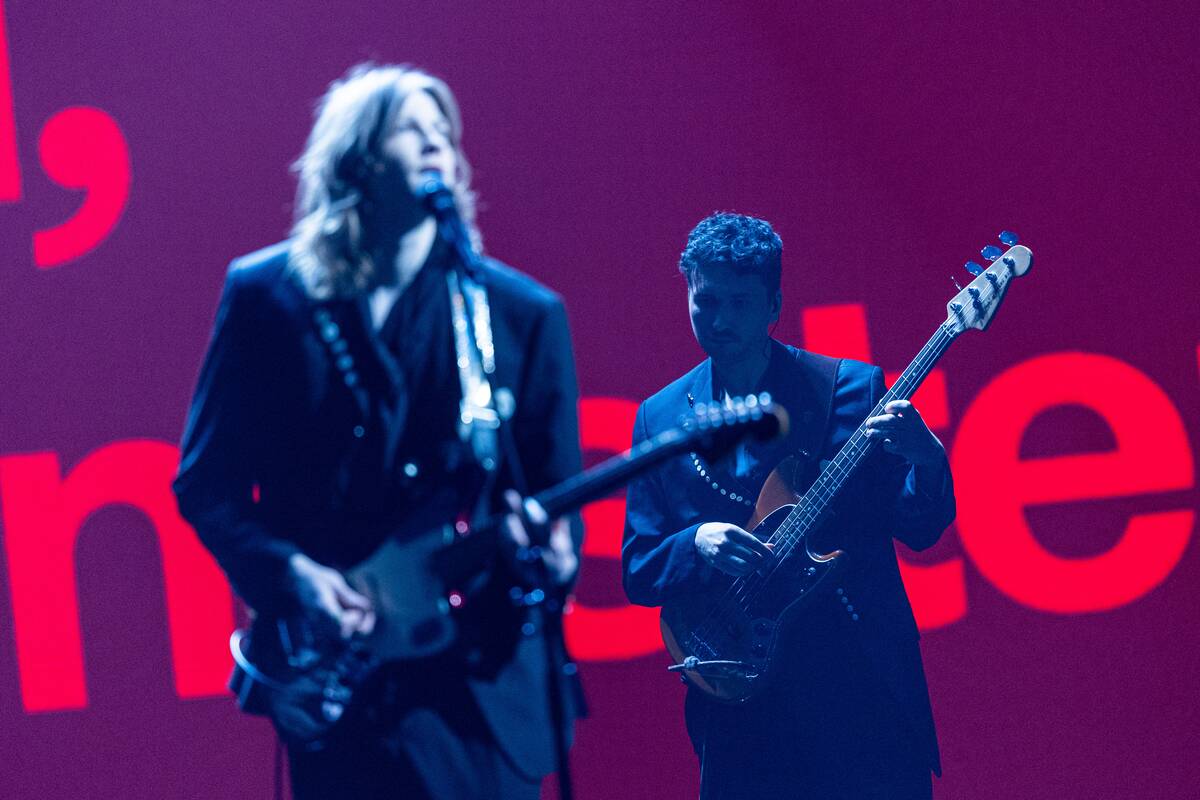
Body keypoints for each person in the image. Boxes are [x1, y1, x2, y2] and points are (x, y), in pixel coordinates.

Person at [173, 64, 584, 800]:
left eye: (445, 133)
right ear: (356, 158)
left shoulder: (519, 314)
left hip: (476, 693)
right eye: (411, 129)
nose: (436, 144)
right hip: (342, 682)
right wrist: (291, 574)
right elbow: (206, 484)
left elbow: (555, 500)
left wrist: (553, 557)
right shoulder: (267, 298)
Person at [621, 212, 955, 799]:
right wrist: (696, 543)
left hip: (858, 688)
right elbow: (639, 568)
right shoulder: (660, 417)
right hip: (741, 703)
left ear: (774, 304)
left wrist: (927, 459)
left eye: (740, 302)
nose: (719, 319)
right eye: (706, 301)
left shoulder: (850, 391)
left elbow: (919, 527)